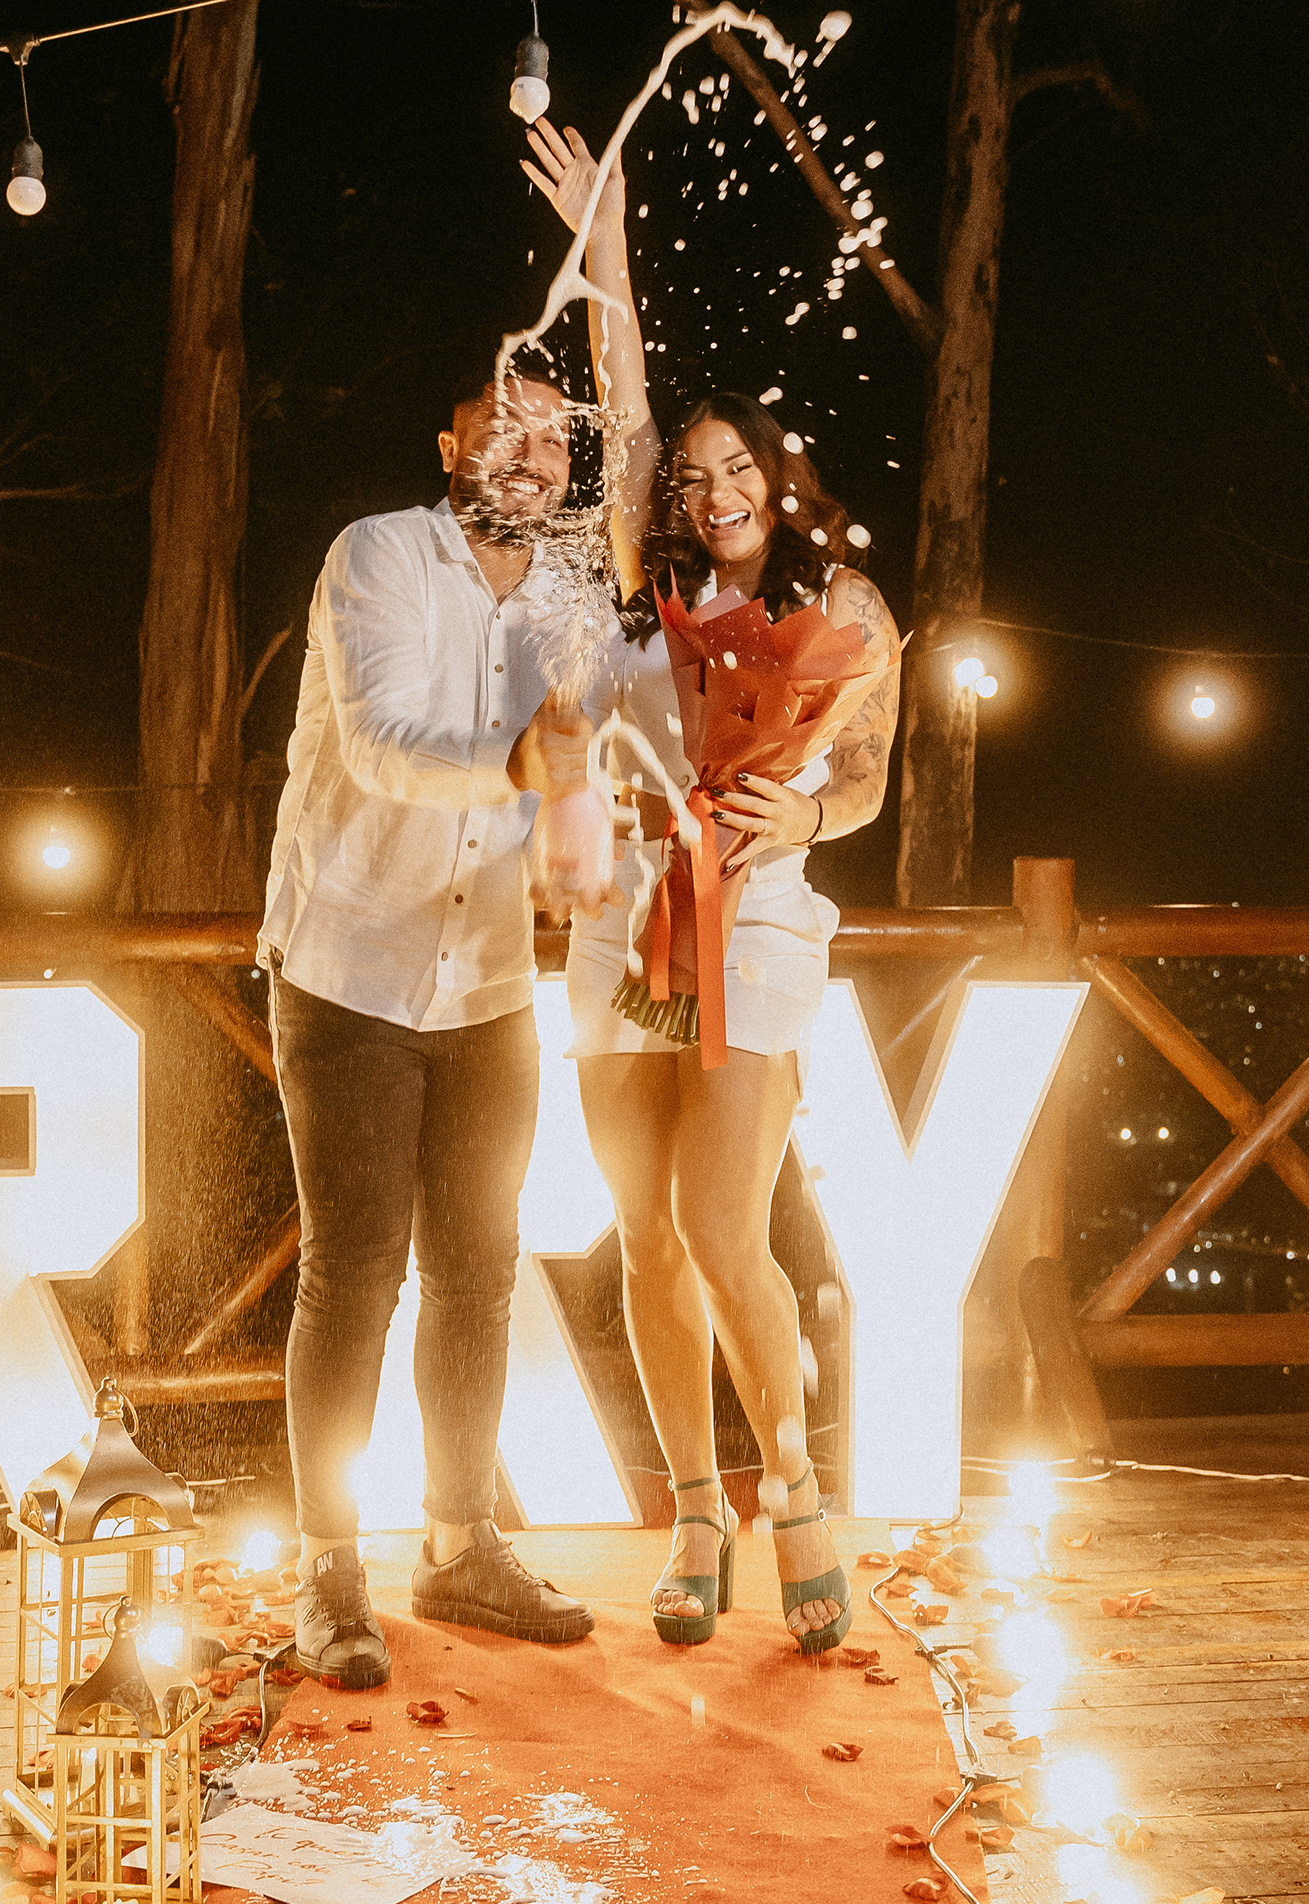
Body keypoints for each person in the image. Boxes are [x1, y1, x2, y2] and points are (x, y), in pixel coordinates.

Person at [523, 117, 901, 1655]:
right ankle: (694, 1510)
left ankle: (795, 1484)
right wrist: (607, 247)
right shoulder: (648, 584)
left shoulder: (843, 601)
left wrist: (804, 814)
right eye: (694, 475)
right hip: (627, 923)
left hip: (755, 920)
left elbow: (868, 778)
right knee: (645, 1233)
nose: (714, 486)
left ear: (774, 477)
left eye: (737, 465)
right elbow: (622, 405)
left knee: (719, 1220)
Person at [256, 360, 598, 1687]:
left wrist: (591, 830)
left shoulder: (574, 597)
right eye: (501, 427)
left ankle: (459, 1545)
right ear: (450, 446)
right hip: (351, 964)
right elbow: (384, 742)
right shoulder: (377, 557)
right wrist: (520, 765)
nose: (529, 452)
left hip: (493, 981)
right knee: (354, 1273)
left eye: (552, 436)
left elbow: (586, 765)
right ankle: (328, 1567)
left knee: (480, 1272)